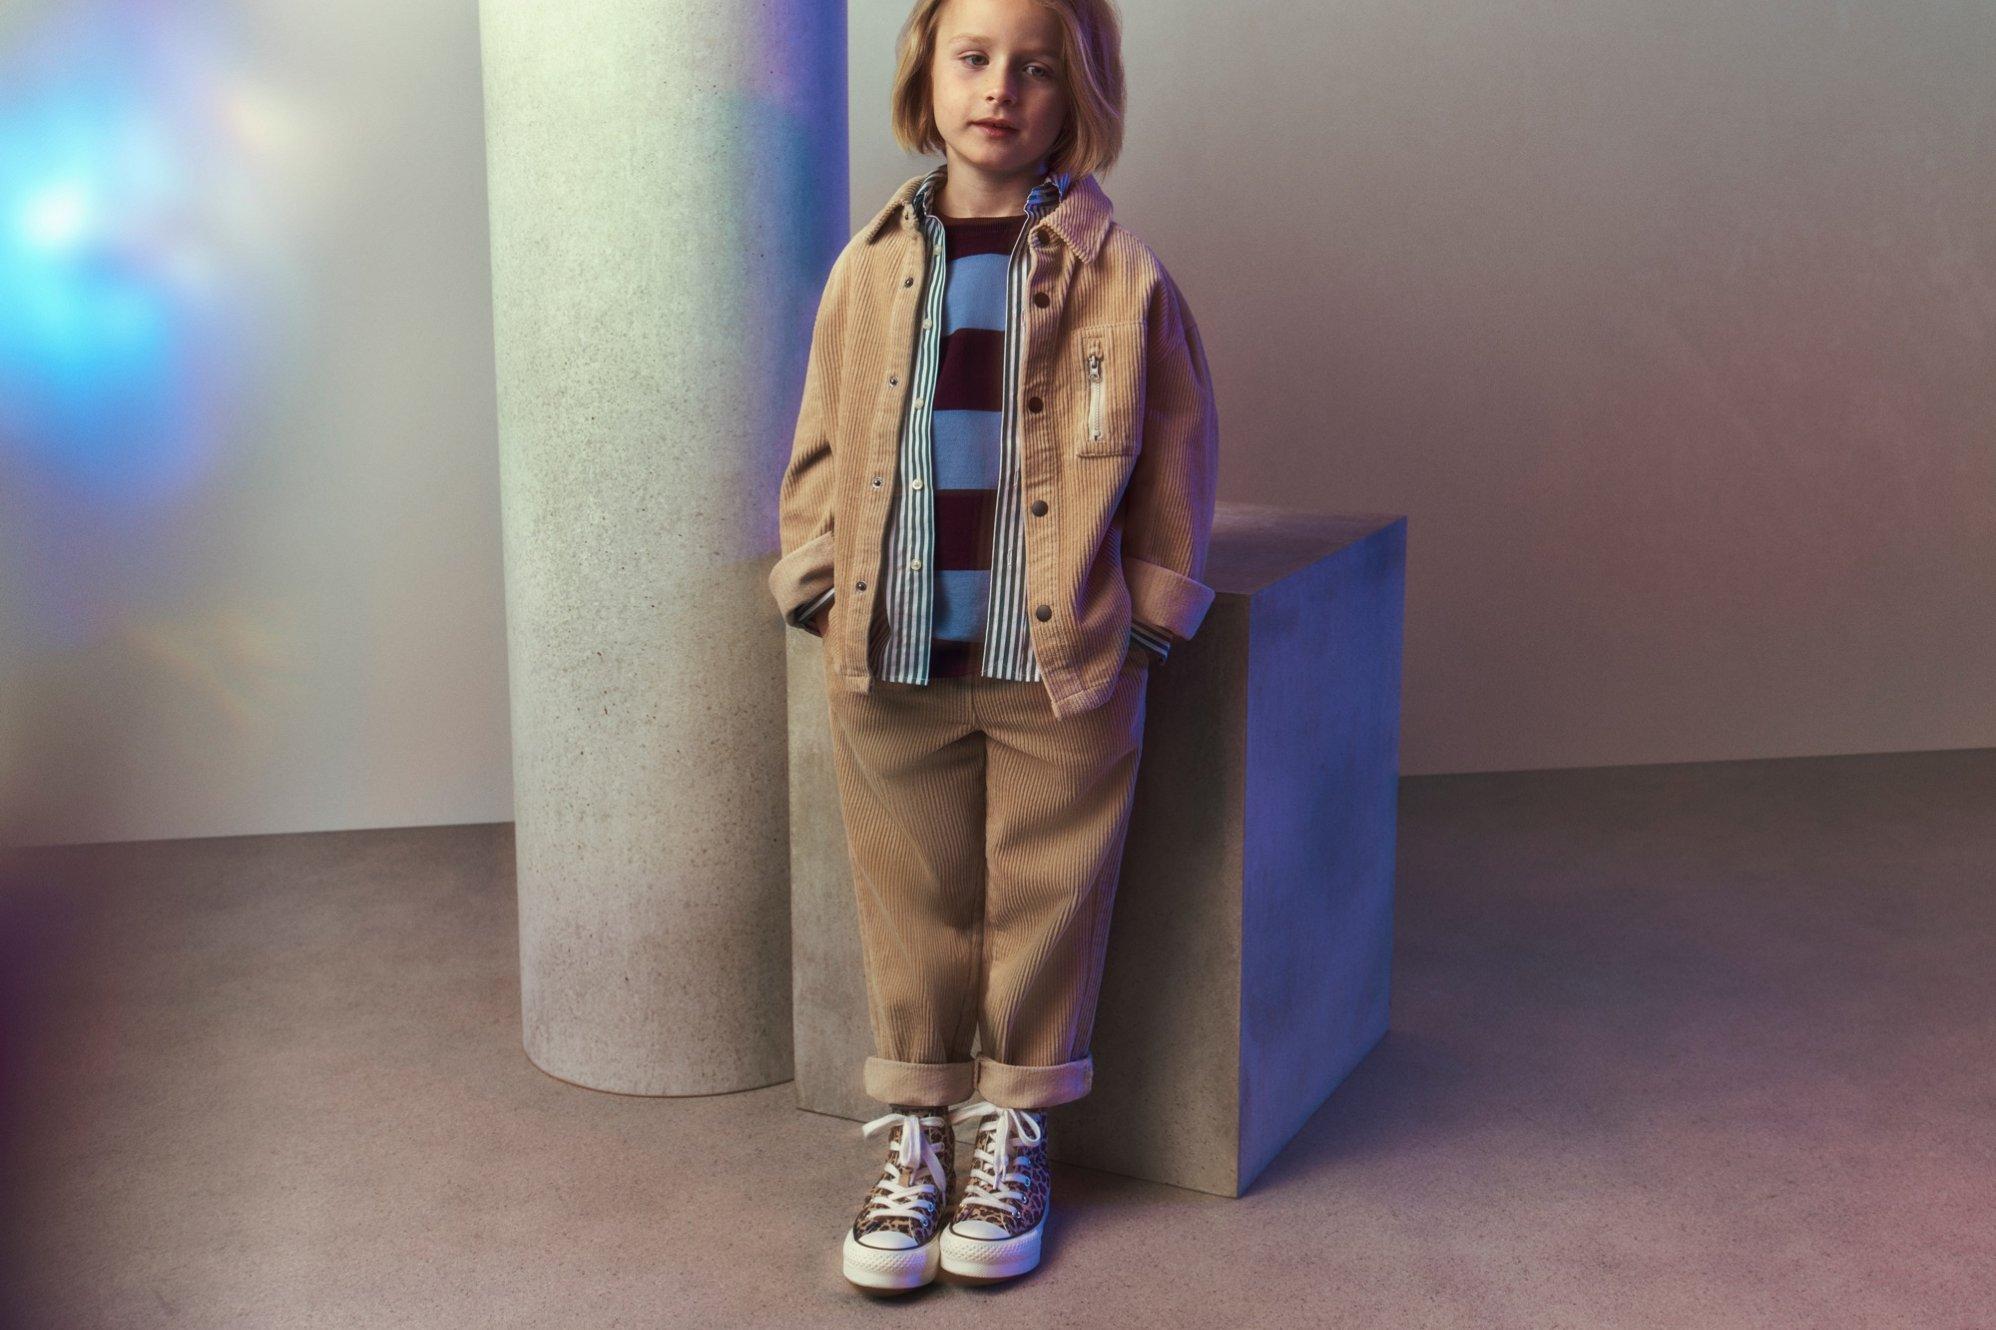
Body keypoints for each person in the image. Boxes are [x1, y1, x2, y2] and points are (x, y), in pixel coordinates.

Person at [767, 0, 1219, 1294]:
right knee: (911, 898)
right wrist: (811, 579)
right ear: (928, 71)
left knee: (1044, 900)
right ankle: (912, 1126)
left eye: (1034, 69)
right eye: (974, 59)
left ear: (1074, 93)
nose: (1000, 92)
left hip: (1060, 662)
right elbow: (817, 436)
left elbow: (1178, 450)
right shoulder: (868, 265)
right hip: (894, 655)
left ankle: (1010, 1128)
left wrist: (1148, 613)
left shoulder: (1121, 275)